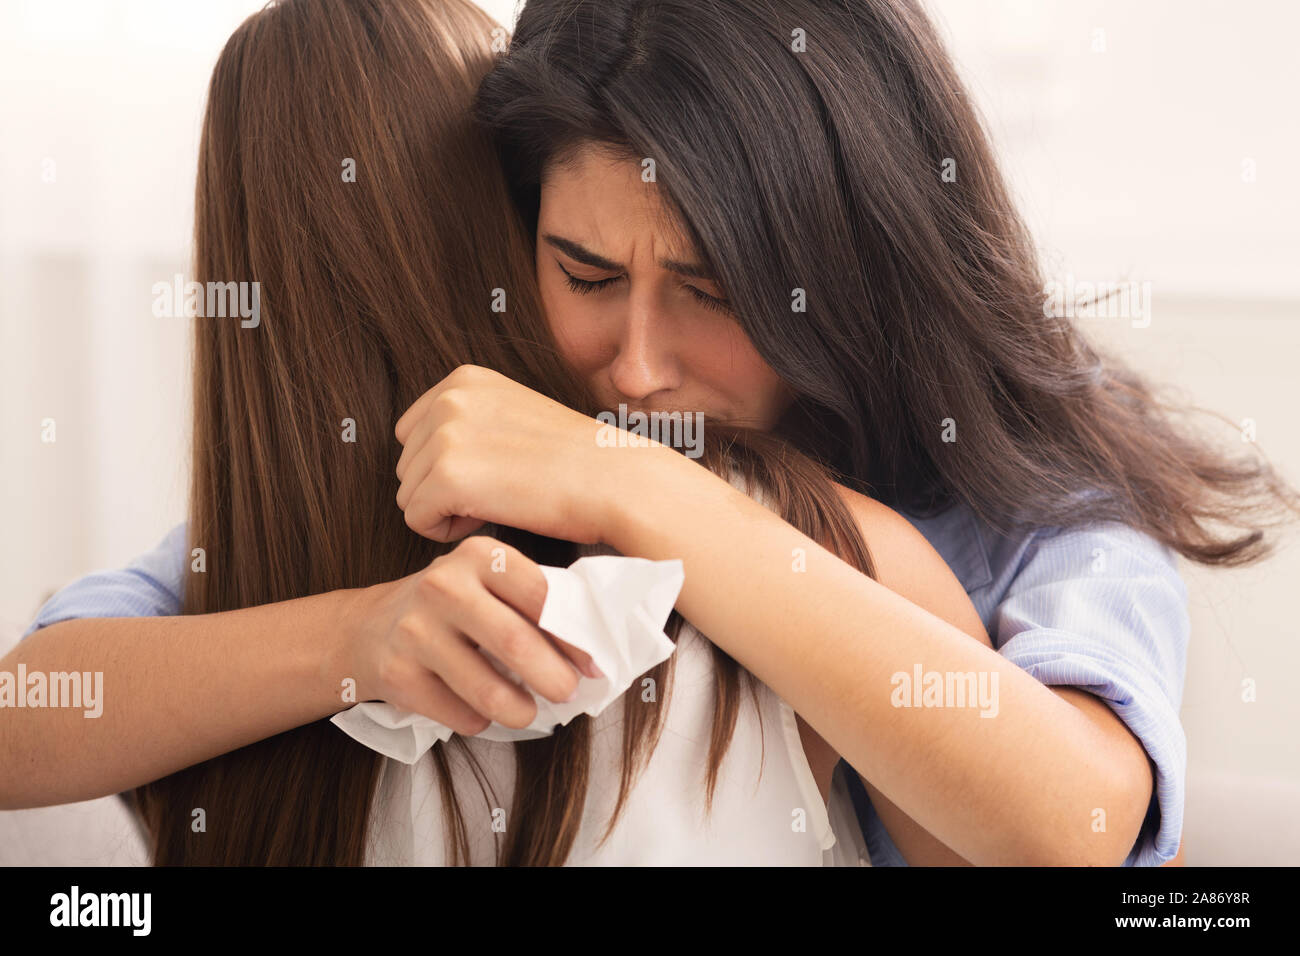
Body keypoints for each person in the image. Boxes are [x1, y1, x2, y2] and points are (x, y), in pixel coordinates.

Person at [2, 0, 989, 866]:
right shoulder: (264, 575)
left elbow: (1068, 827)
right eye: (588, 276)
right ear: (513, 234)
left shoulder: (853, 546)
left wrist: (627, 485)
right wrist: (352, 636)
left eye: (711, 293)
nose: (640, 370)